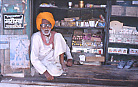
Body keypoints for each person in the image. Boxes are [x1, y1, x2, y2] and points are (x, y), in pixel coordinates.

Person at [30, 12, 72, 80]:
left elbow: (65, 46)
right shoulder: (36, 37)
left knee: (58, 35)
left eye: (48, 25)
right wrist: (46, 73)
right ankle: (44, 70)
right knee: (56, 71)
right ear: (40, 27)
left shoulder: (54, 35)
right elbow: (34, 59)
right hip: (42, 62)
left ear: (51, 26)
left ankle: (62, 63)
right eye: (43, 25)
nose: (46, 28)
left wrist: (70, 58)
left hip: (54, 61)